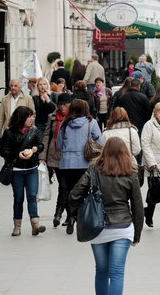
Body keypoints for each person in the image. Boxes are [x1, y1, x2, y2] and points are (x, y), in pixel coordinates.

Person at [67, 137, 143, 295]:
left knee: (101, 271)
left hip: (98, 228)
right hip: (123, 227)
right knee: (117, 273)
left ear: (105, 151)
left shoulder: (94, 169)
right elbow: (137, 206)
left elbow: (74, 196)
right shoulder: (131, 172)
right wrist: (137, 234)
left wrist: (80, 215)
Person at [0, 106, 46, 236]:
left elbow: (41, 145)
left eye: (32, 116)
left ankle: (35, 224)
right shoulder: (9, 132)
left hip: (32, 168)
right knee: (18, 198)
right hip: (16, 170)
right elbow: (3, 151)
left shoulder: (34, 130)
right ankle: (17, 226)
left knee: (32, 196)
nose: (32, 119)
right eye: (29, 116)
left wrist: (35, 149)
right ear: (21, 118)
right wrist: (17, 154)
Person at [58, 99, 102, 234]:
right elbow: (101, 142)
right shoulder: (91, 123)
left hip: (67, 163)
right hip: (85, 163)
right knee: (84, 191)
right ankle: (81, 218)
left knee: (70, 191)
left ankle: (71, 216)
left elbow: (59, 145)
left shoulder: (64, 124)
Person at [41, 92, 71, 228]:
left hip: (70, 157)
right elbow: (47, 135)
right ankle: (61, 215)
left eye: (65, 104)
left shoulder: (74, 117)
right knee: (64, 186)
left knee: (68, 187)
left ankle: (64, 214)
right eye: (60, 104)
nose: (62, 106)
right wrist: (43, 156)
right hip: (55, 156)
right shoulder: (52, 117)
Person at [140, 102, 160, 229]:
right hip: (154, 164)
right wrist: (152, 162)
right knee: (155, 191)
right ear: (155, 113)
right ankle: (148, 213)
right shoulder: (149, 125)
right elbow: (145, 145)